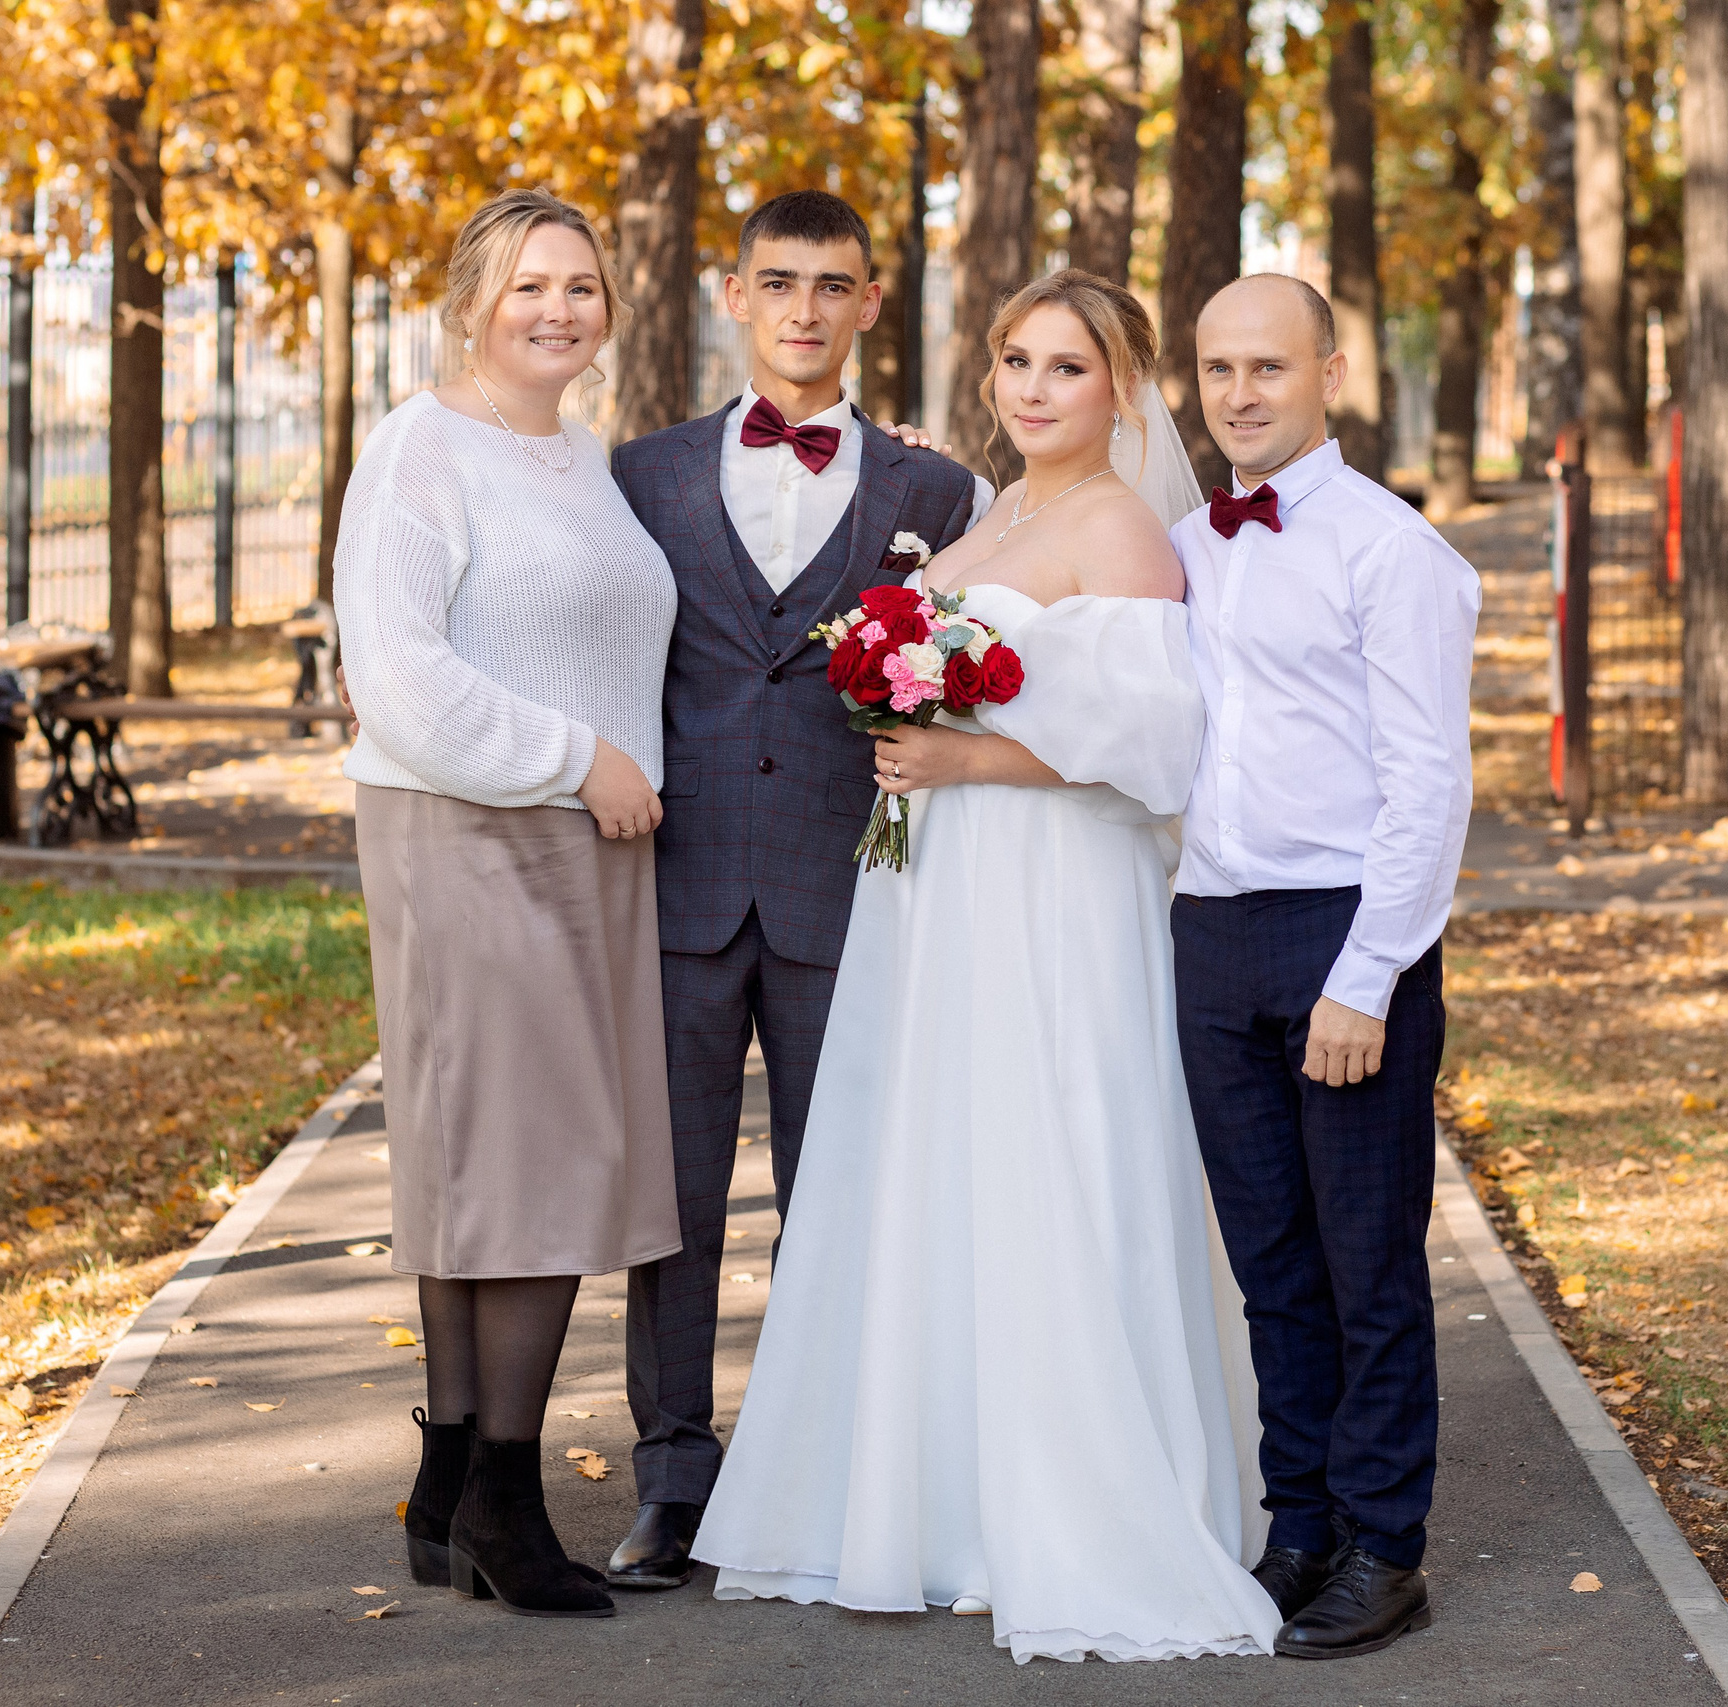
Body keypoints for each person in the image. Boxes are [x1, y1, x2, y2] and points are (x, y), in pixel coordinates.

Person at [689, 268, 1284, 1664]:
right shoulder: (986, 513)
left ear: (1120, 388)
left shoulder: (1124, 531)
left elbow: (1156, 750)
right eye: (1015, 361)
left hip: (1053, 889)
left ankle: (1075, 1502)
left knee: (1050, 1154)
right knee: (941, 1161)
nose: (1032, 389)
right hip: (939, 886)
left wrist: (970, 756)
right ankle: (939, 1498)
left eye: (1066, 368)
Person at [605, 190, 988, 1591]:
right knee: (678, 1203)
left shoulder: (936, 494)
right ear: (734, 294)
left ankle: (835, 1470)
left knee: (842, 1198)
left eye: (835, 285)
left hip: (854, 892)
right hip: (682, 884)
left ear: (872, 303)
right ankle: (672, 1482)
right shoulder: (636, 476)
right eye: (782, 282)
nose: (806, 310)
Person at [333, 188, 678, 1620]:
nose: (559, 307)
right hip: (477, 827)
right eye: (530, 283)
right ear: (471, 299)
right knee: (531, 1168)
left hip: (579, 842)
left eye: (583, 286)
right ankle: (507, 1502)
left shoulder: (578, 455)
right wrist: (575, 757)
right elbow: (400, 674)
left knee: (489, 1165)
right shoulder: (423, 447)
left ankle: (448, 1484)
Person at [1169, 275, 1478, 1659]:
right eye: (1221, 368)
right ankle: (1299, 1526)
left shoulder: (1389, 548)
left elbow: (1430, 784)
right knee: (1272, 1265)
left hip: (1346, 932)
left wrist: (1367, 976)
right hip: (1212, 930)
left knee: (1368, 1262)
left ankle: (1386, 1545)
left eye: (1269, 368)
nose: (1242, 393)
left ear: (1329, 373)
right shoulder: (1187, 541)